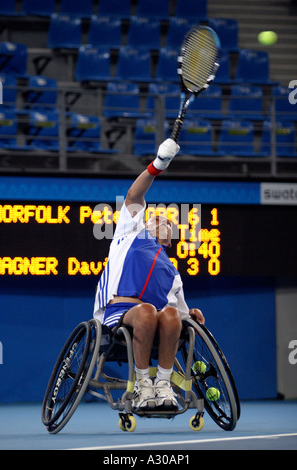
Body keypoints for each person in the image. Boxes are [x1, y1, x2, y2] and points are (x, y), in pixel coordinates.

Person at [93, 138, 205, 411]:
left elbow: (179, 313)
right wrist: (159, 164)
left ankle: (164, 385)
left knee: (167, 314)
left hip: (157, 322)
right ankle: (144, 386)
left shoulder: (172, 273)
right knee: (146, 311)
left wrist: (192, 316)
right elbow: (133, 196)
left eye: (168, 221)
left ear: (169, 241)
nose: (162, 219)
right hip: (115, 313)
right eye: (156, 217)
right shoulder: (128, 233)